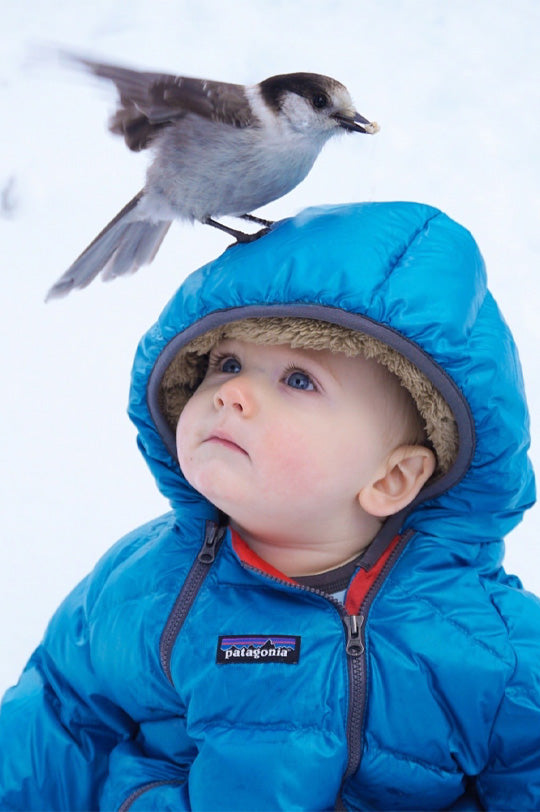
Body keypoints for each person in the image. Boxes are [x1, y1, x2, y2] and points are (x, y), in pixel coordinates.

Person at [0, 201, 539, 811]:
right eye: (228, 363)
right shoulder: (149, 583)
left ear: (392, 478)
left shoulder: (491, 643)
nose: (231, 392)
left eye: (298, 380)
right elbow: (63, 715)